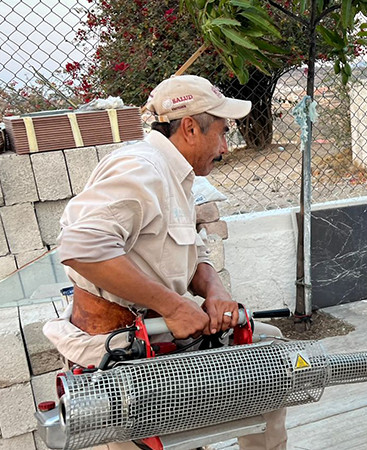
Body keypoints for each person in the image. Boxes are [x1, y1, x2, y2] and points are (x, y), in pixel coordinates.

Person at [43, 75, 287, 450]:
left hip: (158, 334)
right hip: (119, 350)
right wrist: (173, 306)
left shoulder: (177, 175)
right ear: (190, 127)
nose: (225, 146)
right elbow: (82, 245)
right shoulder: (142, 168)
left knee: (269, 358)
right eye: (222, 132)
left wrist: (215, 290)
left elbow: (191, 255)